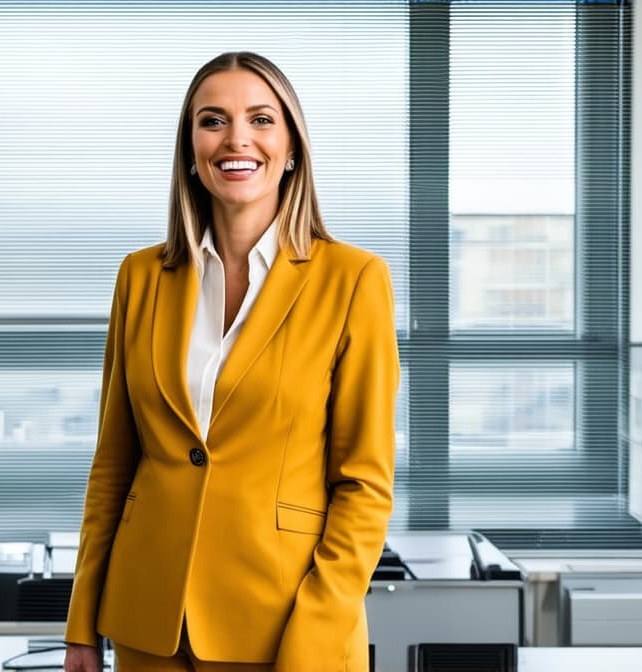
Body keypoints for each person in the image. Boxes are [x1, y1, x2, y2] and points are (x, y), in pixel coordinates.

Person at [63, 51, 399, 672]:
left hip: (284, 628)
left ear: (292, 146)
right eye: (213, 121)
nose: (236, 139)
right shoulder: (141, 276)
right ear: (191, 148)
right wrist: (82, 622)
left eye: (261, 119)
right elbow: (113, 462)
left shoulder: (353, 280)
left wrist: (315, 639)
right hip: (147, 624)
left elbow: (364, 486)